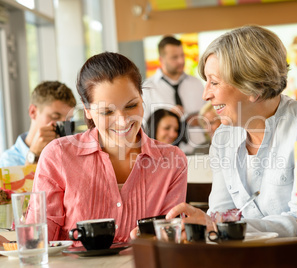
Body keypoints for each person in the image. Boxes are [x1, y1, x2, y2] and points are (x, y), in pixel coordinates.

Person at [164, 25, 297, 238]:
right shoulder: (224, 137)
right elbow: (221, 215)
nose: (205, 95)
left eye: (214, 82)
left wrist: (220, 228)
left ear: (254, 87)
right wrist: (198, 226)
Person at [29, 52, 187, 244]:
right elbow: (38, 241)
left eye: (131, 106)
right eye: (107, 111)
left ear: (142, 100)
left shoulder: (172, 161)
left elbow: (170, 243)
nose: (122, 121)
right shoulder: (58, 156)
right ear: (87, 111)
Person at [142, 36, 206, 153]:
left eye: (182, 56)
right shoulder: (147, 88)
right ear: (161, 60)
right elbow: (144, 127)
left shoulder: (196, 84)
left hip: (199, 149)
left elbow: (210, 115)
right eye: (175, 57)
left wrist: (201, 119)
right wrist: (167, 117)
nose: (181, 61)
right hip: (165, 154)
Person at [0, 81, 76, 168]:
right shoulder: (7, 163)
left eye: (68, 119)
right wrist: (33, 154)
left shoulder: (68, 154)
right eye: (55, 117)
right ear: (33, 112)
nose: (63, 126)